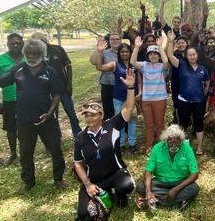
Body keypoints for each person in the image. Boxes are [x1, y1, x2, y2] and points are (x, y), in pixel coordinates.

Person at [0, 38, 66, 194]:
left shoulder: (49, 71)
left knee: (55, 150)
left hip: (47, 118)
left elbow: (57, 93)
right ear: (25, 53)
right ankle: (28, 181)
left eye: (35, 53)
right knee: (25, 151)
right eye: (28, 53)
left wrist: (50, 112)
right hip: (24, 119)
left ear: (42, 54)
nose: (31, 56)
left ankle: (58, 179)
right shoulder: (18, 69)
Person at [73, 68, 138, 220]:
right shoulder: (80, 138)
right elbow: (78, 164)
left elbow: (129, 108)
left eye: (93, 115)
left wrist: (130, 88)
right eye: (86, 116)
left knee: (127, 186)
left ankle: (120, 194)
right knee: (83, 214)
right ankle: (104, 192)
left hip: (115, 173)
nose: (89, 119)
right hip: (95, 179)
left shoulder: (112, 125)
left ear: (101, 115)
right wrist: (88, 184)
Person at [135, 124, 200, 211]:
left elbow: (194, 174)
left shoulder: (187, 148)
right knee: (140, 187)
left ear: (181, 141)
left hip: (180, 183)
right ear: (165, 141)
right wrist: (148, 191)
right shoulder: (157, 148)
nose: (173, 145)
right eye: (170, 142)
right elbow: (148, 171)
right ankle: (178, 200)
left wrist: (175, 190)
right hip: (160, 182)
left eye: (177, 141)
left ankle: (154, 201)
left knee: (194, 188)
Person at [166, 32, 210, 155]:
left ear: (197, 55)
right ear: (186, 56)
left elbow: (207, 81)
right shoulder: (181, 65)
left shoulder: (202, 69)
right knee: (183, 123)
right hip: (183, 100)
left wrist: (204, 94)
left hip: (198, 101)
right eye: (189, 55)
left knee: (199, 123)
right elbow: (169, 55)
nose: (191, 57)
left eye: (194, 54)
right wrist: (170, 41)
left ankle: (200, 147)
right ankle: (184, 146)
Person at [94, 39, 140, 153]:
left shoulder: (134, 64)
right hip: (118, 97)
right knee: (120, 120)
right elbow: (99, 67)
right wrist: (100, 52)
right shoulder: (115, 64)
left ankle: (132, 143)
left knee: (132, 120)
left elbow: (139, 81)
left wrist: (140, 92)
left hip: (131, 96)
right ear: (119, 53)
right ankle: (121, 143)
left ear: (130, 52)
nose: (125, 54)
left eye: (127, 51)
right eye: (122, 52)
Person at [32, 32, 81, 137]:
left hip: (63, 88)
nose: (41, 42)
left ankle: (78, 135)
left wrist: (69, 84)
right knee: (53, 115)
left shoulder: (58, 49)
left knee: (71, 113)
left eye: (42, 39)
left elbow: (68, 66)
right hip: (48, 91)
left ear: (45, 39)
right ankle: (56, 136)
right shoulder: (36, 55)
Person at [131, 35, 170, 154]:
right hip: (146, 99)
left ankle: (161, 146)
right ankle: (149, 146)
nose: (153, 56)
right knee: (148, 124)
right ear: (147, 56)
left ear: (159, 55)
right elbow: (132, 62)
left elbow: (166, 61)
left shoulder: (162, 67)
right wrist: (137, 47)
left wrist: (160, 48)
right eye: (151, 54)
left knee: (159, 124)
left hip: (160, 99)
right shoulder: (144, 65)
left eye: (156, 54)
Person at [0, 33, 25, 166]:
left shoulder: (29, 57)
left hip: (27, 99)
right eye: (12, 43)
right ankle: (13, 153)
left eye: (18, 43)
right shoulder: (0, 60)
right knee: (11, 129)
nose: (15, 45)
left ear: (23, 44)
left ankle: (25, 153)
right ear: (7, 44)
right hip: (9, 99)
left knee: (26, 128)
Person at [89, 31, 122, 120]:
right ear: (109, 41)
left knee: (121, 110)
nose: (115, 41)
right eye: (112, 39)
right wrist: (98, 49)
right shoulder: (105, 52)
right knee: (108, 110)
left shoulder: (125, 52)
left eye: (117, 39)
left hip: (121, 85)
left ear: (121, 40)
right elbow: (93, 61)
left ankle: (122, 130)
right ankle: (110, 130)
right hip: (107, 85)